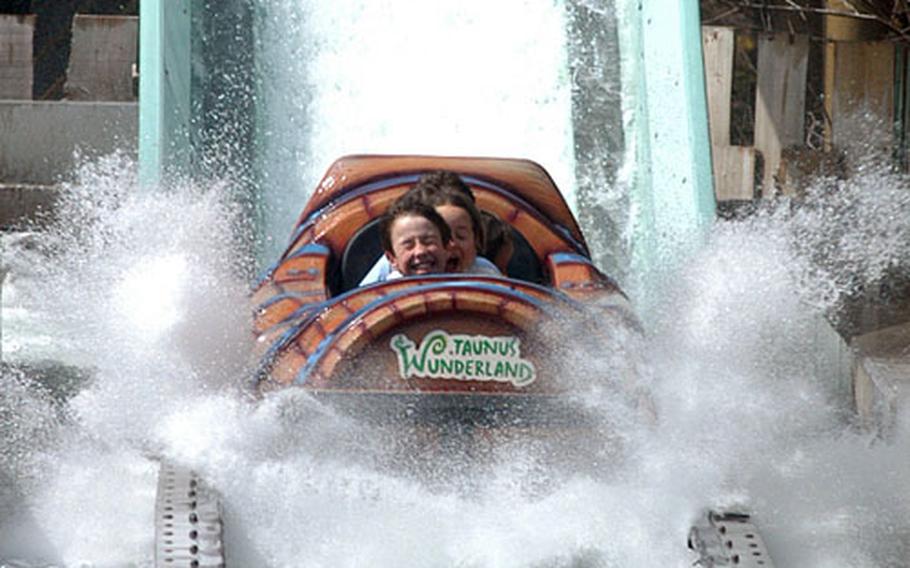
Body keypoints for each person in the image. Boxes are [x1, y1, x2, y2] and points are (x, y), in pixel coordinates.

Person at [360, 170, 500, 285]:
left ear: (477, 240)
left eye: (461, 236)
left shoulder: (486, 273)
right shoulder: (395, 269)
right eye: (443, 236)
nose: (451, 244)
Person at [379, 195, 452, 278]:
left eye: (428, 242)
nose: (420, 251)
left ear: (446, 248)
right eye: (408, 245)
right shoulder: (384, 291)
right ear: (392, 259)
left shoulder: (465, 288)